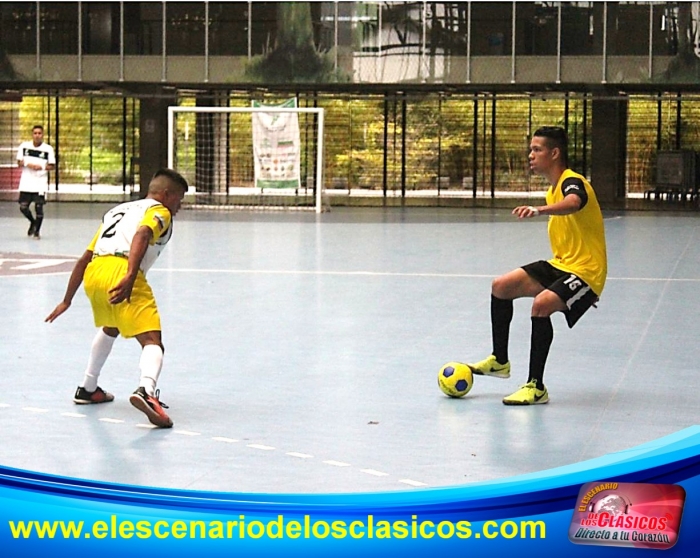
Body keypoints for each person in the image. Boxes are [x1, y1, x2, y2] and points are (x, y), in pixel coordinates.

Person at [467, 126, 607, 405]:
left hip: (586, 271)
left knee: (541, 305)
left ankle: (536, 386)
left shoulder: (571, 181)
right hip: (561, 264)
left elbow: (574, 202)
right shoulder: (551, 190)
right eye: (531, 149)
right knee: (501, 286)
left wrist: (540, 210)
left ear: (554, 153)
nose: (530, 155)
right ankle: (499, 360)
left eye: (537, 149)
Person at [45, 168, 189, 428]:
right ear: (166, 194)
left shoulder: (117, 212)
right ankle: (147, 390)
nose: (179, 207)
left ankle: (88, 388)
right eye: (179, 199)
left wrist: (67, 299)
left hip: (95, 272)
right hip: (122, 269)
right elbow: (143, 234)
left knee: (111, 326)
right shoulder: (160, 211)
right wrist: (131, 274)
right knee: (152, 339)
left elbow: (85, 257)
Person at [17, 125, 56, 239]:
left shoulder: (48, 149)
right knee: (23, 207)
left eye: (39, 133)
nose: (37, 135)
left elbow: (52, 165)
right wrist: (28, 164)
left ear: (42, 135)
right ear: (32, 134)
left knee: (39, 208)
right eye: (35, 133)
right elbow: (19, 162)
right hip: (26, 182)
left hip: (40, 183)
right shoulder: (24, 146)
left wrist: (42, 166)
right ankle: (32, 222)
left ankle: (37, 231)